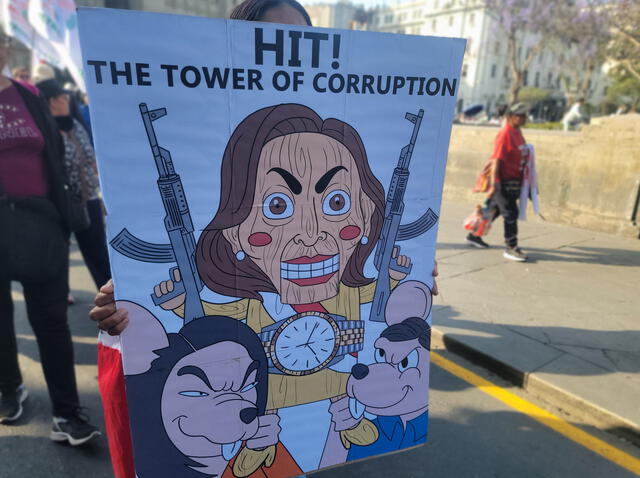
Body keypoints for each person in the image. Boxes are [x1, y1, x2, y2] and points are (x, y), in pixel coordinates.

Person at [0, 28, 100, 444]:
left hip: (41, 223)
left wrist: (64, 218)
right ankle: (9, 388)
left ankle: (67, 411)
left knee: (52, 320)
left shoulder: (28, 95)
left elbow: (55, 157)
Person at [36, 78, 111, 292]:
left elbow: (89, 156)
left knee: (97, 252)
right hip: (58, 202)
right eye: (62, 96)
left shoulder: (74, 123)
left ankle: (111, 297)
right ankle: (62, 291)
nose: (67, 99)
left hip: (88, 198)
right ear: (51, 101)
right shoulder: (43, 128)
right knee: (57, 254)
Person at [465, 102, 530, 262]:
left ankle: (474, 235)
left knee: (494, 210)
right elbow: (496, 161)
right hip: (502, 182)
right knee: (510, 213)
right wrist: (494, 185)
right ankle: (511, 247)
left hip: (514, 181)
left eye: (524, 115)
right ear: (510, 117)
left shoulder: (517, 132)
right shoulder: (505, 134)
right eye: (520, 115)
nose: (524, 118)